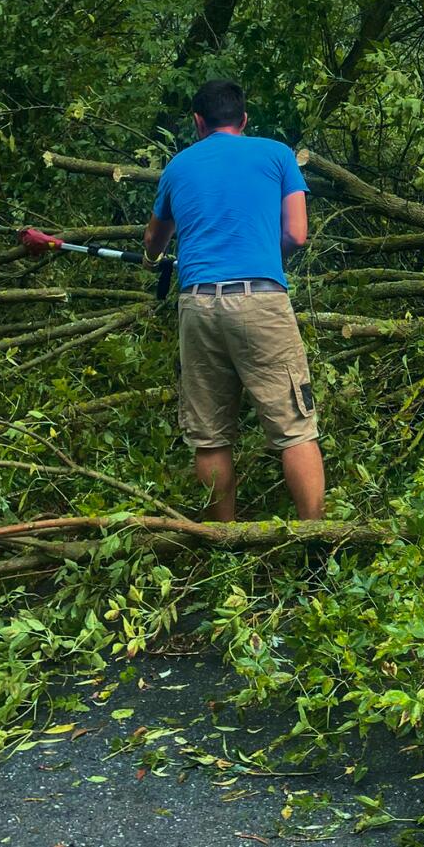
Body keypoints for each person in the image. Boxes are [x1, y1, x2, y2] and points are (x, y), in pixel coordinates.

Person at [143, 79, 325, 521]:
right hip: (260, 301)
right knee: (294, 428)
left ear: (197, 122)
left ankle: (224, 541)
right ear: (244, 119)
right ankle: (315, 538)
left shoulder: (178, 167)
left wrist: (161, 255)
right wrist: (261, 249)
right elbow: (297, 235)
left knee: (210, 435)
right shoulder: (278, 155)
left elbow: (152, 245)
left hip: (198, 304)